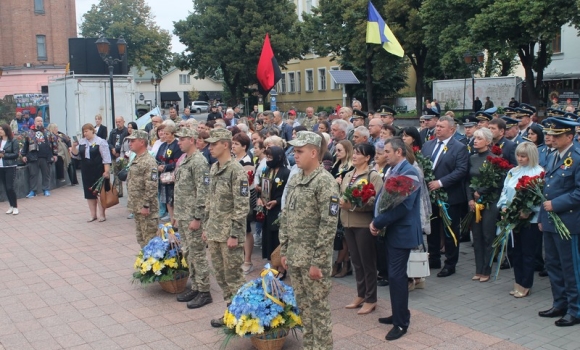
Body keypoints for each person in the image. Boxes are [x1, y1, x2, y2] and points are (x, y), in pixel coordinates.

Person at [280, 131, 339, 350]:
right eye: (294, 151)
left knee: (319, 311)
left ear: (314, 153)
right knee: (304, 308)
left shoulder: (325, 182)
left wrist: (318, 261)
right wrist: (284, 249)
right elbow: (286, 215)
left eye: (299, 151)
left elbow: (328, 225)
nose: (295, 155)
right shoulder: (297, 177)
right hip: (295, 256)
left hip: (313, 260)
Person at [371, 137, 422, 341]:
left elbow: (403, 207)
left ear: (399, 152)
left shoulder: (409, 171)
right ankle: (399, 313)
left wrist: (378, 222)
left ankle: (401, 324)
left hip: (401, 232)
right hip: (393, 231)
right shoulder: (395, 169)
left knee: (397, 276)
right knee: (394, 276)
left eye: (388, 151)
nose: (385, 155)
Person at [203, 128, 249, 328]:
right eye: (210, 144)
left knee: (234, 277)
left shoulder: (236, 170)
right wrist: (206, 226)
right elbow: (210, 201)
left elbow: (241, 206)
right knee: (221, 276)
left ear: (226, 145)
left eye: (214, 144)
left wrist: (235, 235)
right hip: (214, 231)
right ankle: (231, 312)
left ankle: (242, 316)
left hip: (229, 234)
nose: (210, 147)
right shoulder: (214, 168)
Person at [538, 118, 580, 327]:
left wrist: (556, 204)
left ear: (569, 137)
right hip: (550, 220)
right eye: (551, 134)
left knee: (570, 267)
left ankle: (576, 309)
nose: (551, 138)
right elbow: (545, 189)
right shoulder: (553, 155)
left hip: (569, 221)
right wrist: (541, 217)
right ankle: (560, 303)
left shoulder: (577, 157)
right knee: (553, 264)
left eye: (557, 135)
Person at [421, 116, 469, 277]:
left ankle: (450, 263)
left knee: (450, 231)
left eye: (442, 127)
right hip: (430, 196)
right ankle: (434, 258)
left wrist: (440, 183)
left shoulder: (459, 147)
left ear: (452, 130)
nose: (438, 129)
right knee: (432, 230)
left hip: (450, 196)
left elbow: (461, 170)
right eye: (437, 126)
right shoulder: (428, 145)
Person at [339, 143, 383, 315]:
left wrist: (353, 205)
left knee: (367, 262)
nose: (355, 156)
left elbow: (375, 203)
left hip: (363, 224)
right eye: (354, 153)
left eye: (359, 154)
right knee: (356, 261)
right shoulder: (349, 174)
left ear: (368, 157)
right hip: (348, 223)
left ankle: (371, 298)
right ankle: (361, 294)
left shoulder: (373, 176)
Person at [172, 127, 213, 309]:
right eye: (179, 139)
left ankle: (204, 291)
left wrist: (197, 217)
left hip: (192, 216)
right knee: (188, 252)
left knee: (197, 253)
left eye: (182, 139)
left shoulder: (198, 161)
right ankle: (196, 286)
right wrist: (176, 216)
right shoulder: (185, 160)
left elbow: (203, 192)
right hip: (183, 215)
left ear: (192, 140)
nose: (179, 142)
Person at [497, 142, 543, 298]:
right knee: (514, 251)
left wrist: (529, 210)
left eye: (524, 156)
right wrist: (503, 206)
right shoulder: (512, 172)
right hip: (512, 217)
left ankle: (526, 283)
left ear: (531, 156)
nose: (520, 159)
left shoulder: (539, 172)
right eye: (518, 155)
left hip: (530, 220)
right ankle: (517, 281)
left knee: (527, 252)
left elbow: (541, 198)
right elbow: (504, 191)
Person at [465, 128, 498, 282]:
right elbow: (467, 180)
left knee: (487, 235)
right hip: (474, 202)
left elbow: (497, 181)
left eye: (479, 138)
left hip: (489, 202)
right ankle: (478, 269)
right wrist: (470, 198)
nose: (475, 141)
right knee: (476, 236)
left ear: (488, 141)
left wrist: (481, 191)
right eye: (474, 138)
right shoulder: (472, 158)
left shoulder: (494, 158)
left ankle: (487, 270)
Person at [70, 124, 111, 222]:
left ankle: (102, 214)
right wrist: (74, 146)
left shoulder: (100, 142)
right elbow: (76, 155)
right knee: (89, 193)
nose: (85, 133)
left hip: (98, 170)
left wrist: (106, 171)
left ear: (92, 131)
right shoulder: (82, 142)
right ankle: (93, 214)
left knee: (100, 193)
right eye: (84, 132)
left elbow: (106, 158)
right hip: (86, 171)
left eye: (87, 131)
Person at [125, 130, 160, 247]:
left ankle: (152, 265)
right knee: (141, 240)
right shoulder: (137, 158)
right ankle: (145, 264)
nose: (130, 143)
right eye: (129, 141)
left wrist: (146, 205)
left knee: (150, 241)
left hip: (146, 210)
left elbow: (151, 186)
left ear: (142, 142)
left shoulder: (148, 161)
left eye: (133, 141)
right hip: (137, 206)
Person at [257, 146, 290, 265]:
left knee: (277, 237)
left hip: (277, 209)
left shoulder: (286, 172)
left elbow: (288, 193)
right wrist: (260, 198)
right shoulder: (267, 170)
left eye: (271, 157)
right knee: (268, 237)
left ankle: (280, 266)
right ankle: (271, 262)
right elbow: (262, 187)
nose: (268, 159)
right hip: (267, 209)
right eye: (267, 156)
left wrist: (277, 201)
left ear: (278, 157)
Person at [231, 132, 255, 274]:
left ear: (244, 146)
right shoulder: (233, 158)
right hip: (233, 197)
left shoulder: (247, 160)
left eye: (236, 144)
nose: (233, 146)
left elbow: (247, 183)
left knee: (246, 229)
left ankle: (248, 260)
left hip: (244, 198)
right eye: (232, 143)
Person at [330, 140, 354, 278]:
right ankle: (346, 264)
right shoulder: (337, 164)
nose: (337, 153)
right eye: (336, 150)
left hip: (344, 202)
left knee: (344, 236)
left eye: (340, 151)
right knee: (340, 236)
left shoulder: (350, 167)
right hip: (334, 201)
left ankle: (339, 264)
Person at [21, 117, 58, 198]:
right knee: (33, 175)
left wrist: (55, 154)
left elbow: (54, 143)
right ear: (34, 122)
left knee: (46, 174)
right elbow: (25, 145)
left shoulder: (47, 133)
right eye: (38, 121)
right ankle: (33, 191)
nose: (40, 122)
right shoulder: (29, 133)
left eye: (41, 121)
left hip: (45, 156)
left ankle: (46, 189)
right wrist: (23, 155)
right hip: (33, 157)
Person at [155, 122, 183, 225]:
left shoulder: (176, 145)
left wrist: (166, 167)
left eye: (167, 134)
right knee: (167, 199)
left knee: (173, 199)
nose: (165, 136)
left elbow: (178, 161)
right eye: (164, 133)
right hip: (163, 176)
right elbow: (157, 158)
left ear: (173, 134)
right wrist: (158, 166)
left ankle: (176, 222)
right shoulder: (163, 145)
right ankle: (171, 220)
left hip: (173, 176)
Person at [0, 124, 20, 215]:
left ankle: (15, 206)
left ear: (6, 130)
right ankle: (11, 206)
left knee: (10, 187)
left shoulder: (13, 141)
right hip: (1, 167)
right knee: (5, 187)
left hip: (10, 166)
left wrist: (4, 155)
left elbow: (16, 154)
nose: (0, 131)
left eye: (1, 129)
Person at [108, 116, 129, 197]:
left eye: (119, 121)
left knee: (125, 173)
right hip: (114, 156)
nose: (118, 123)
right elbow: (109, 142)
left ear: (123, 121)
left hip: (123, 156)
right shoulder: (113, 132)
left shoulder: (126, 131)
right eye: (116, 121)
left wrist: (118, 150)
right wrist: (113, 149)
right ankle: (118, 191)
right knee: (116, 174)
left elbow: (125, 144)